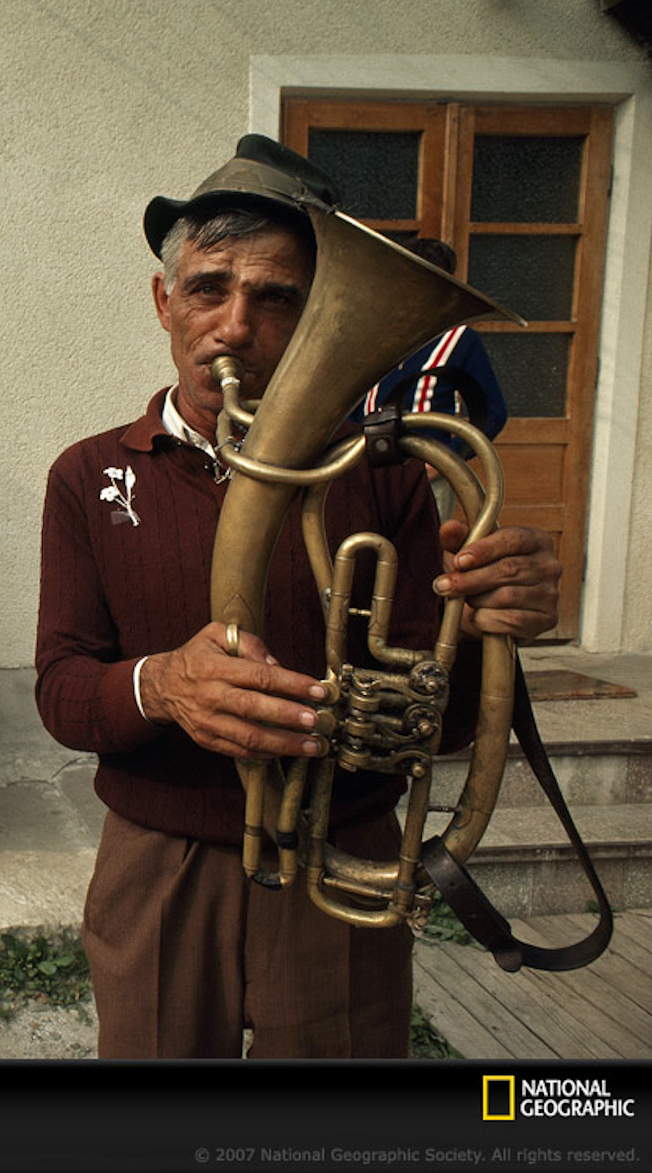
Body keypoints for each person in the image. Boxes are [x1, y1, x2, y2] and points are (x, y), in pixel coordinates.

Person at [34, 135, 560, 1058]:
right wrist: (161, 686)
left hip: (344, 859)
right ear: (165, 301)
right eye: (209, 288)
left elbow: (440, 728)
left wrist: (484, 634)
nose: (235, 327)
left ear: (315, 310)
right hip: (160, 866)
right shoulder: (88, 474)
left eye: (276, 298)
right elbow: (61, 690)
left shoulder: (388, 478)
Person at [352, 238, 508, 519]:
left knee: (425, 556)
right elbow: (355, 406)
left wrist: (448, 459)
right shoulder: (378, 337)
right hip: (372, 472)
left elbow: (492, 412)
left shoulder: (461, 339)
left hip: (427, 474)